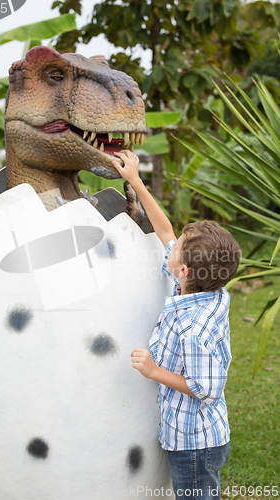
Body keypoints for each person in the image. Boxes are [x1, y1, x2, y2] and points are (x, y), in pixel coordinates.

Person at [112, 150, 241, 500]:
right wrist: (134, 180)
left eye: (177, 248)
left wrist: (154, 371)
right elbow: (165, 228)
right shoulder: (201, 284)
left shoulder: (193, 329)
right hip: (196, 437)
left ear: (183, 270)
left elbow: (207, 387)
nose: (171, 245)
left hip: (194, 443)